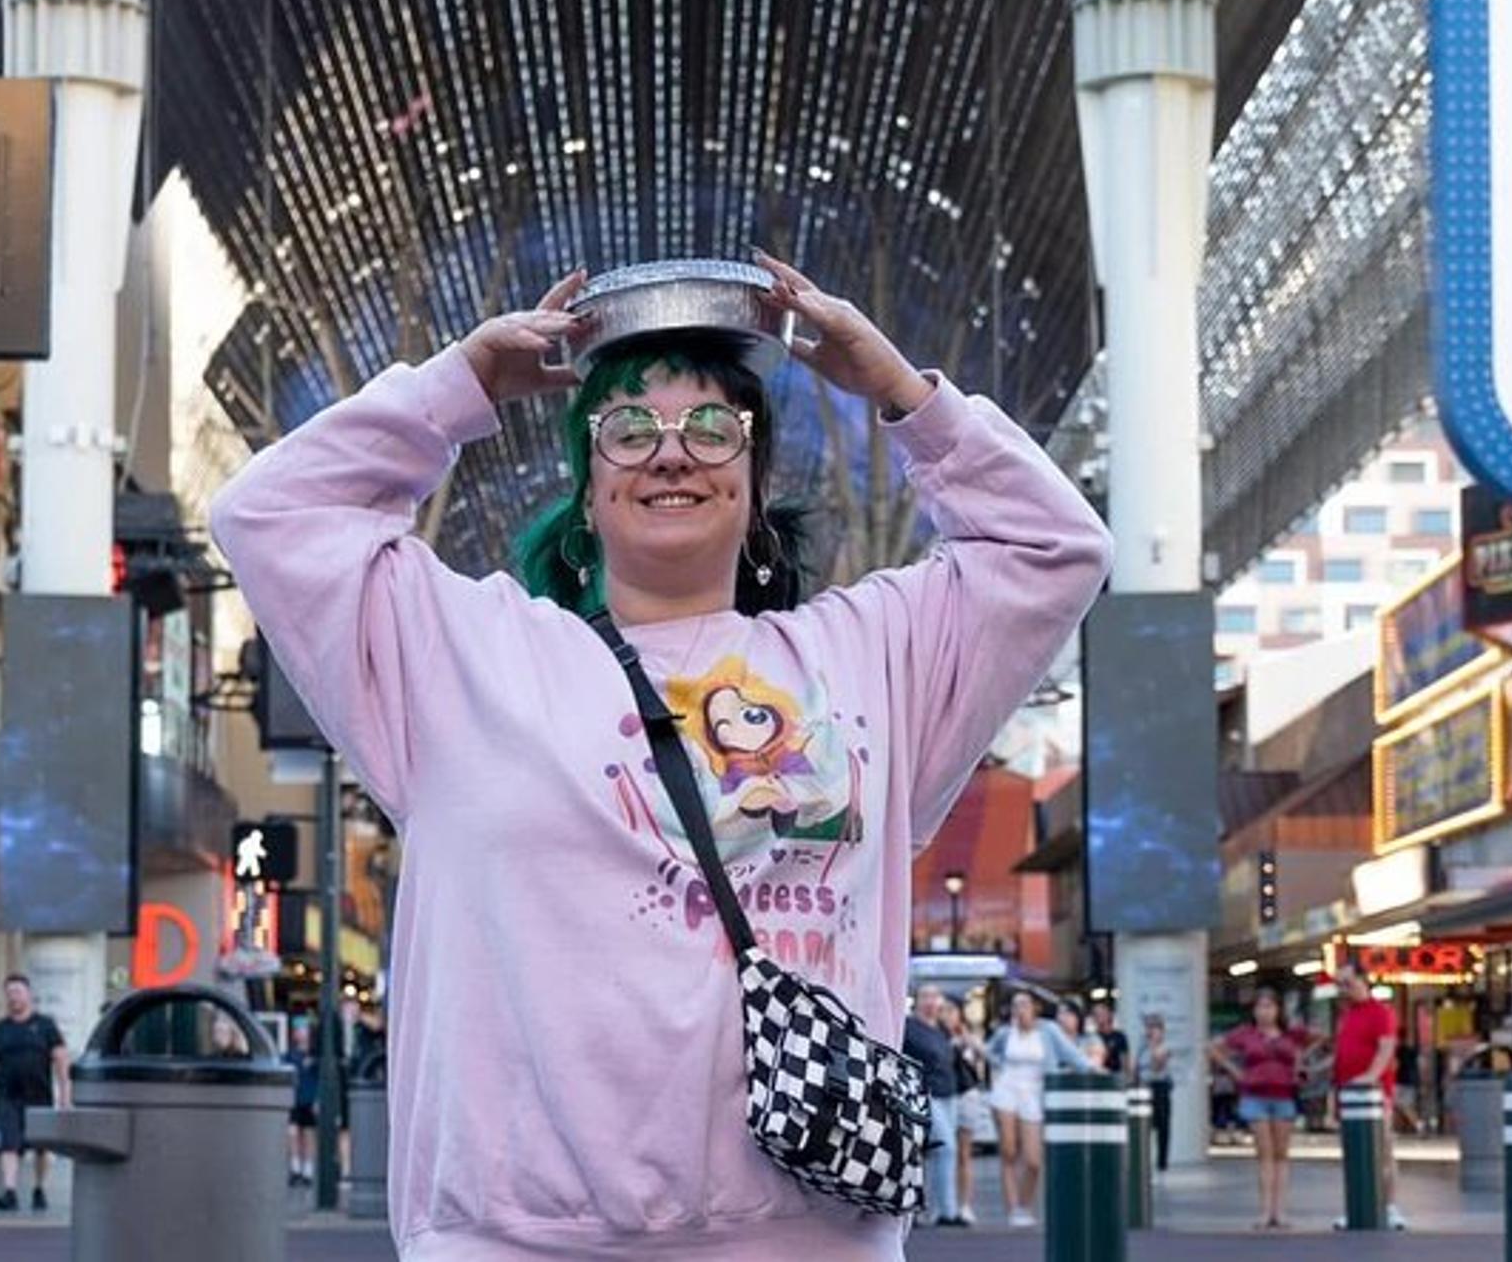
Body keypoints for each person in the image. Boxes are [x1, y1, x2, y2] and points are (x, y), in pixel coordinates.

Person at [210, 253, 1112, 1259]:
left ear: (753, 482)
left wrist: (900, 395)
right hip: (515, 1240)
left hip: (806, 1235)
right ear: (586, 495)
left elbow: (1053, 548)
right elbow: (268, 515)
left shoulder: (871, 657)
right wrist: (455, 389)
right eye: (628, 430)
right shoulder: (458, 654)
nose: (669, 454)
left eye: (711, 429)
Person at [985, 990, 1093, 1229]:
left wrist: (1093, 1069)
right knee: (1009, 1151)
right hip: (1006, 1090)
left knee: (1033, 1160)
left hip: (1034, 1094)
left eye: (1024, 1004)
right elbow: (989, 1050)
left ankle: (1025, 1205)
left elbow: (1071, 1054)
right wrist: (998, 1065)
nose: (1019, 1010)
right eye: (1015, 1005)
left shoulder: (1048, 1030)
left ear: (1035, 1008)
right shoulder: (1005, 1032)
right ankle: (1013, 1209)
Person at [1210, 988, 1317, 1230]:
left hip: (1283, 1095)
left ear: (1278, 1010)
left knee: (1281, 1155)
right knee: (1264, 1154)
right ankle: (1265, 1210)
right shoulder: (1246, 1034)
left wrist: (1300, 1060)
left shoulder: (1291, 1034)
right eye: (1260, 1007)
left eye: (1269, 1007)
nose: (1264, 1012)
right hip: (1255, 1095)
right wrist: (1236, 1071)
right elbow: (1214, 1048)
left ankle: (1280, 1211)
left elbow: (1319, 1037)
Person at [0, 974, 70, 1213]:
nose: (14, 998)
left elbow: (61, 1060)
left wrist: (65, 1094)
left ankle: (39, 1189)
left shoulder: (45, 1025)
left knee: (41, 1147)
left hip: (39, 1096)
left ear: (29, 995)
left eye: (18, 992)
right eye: (10, 993)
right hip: (7, 1096)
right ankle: (9, 1192)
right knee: (9, 1144)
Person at [1332, 960, 1407, 1230]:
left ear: (1363, 980)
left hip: (1373, 1095)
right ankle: (1356, 1207)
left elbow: (1386, 1049)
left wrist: (1370, 1078)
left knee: (1383, 1150)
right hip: (1348, 1094)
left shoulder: (1381, 1012)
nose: (1343, 989)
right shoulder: (1347, 1014)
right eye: (1339, 984)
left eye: (1347, 983)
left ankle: (1389, 1207)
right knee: (1353, 1153)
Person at [904, 986, 963, 1228]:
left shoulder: (941, 1028)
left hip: (948, 1092)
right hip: (924, 1092)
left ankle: (938, 1209)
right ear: (916, 1001)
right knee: (944, 1148)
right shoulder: (909, 1027)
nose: (930, 1001)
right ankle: (945, 1211)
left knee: (939, 1152)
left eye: (934, 997)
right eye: (925, 996)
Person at [944, 1001, 989, 1227]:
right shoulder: (937, 1036)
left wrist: (966, 1040)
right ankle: (946, 1205)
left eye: (952, 1010)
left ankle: (965, 1205)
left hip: (967, 1094)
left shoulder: (968, 1037)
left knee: (964, 1153)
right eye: (945, 1011)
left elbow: (983, 1055)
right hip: (944, 1095)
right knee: (943, 1152)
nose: (948, 1015)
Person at [285, 1014, 320, 1188]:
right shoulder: (290, 1055)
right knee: (292, 1132)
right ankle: (295, 1167)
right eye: (298, 1030)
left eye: (304, 1029)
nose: (301, 1033)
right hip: (294, 1099)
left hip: (309, 1099)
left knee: (308, 1134)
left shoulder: (316, 1056)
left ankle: (307, 1169)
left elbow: (320, 1080)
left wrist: (318, 1099)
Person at [1137, 1012, 1174, 1171]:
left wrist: (1153, 1045)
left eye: (1154, 1027)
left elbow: (1157, 1065)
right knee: (1145, 1125)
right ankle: (1143, 1159)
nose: (1150, 1031)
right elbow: (1136, 1066)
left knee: (1163, 1125)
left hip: (1160, 1087)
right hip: (1145, 1086)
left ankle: (1162, 1161)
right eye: (1148, 1027)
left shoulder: (1165, 1046)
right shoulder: (1141, 1046)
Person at [1090, 1001, 1131, 1078]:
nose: (1098, 1017)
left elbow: (1125, 1060)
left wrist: (1127, 1078)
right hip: (1098, 1078)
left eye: (1101, 1013)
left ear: (1109, 1014)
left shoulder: (1119, 1036)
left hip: (1116, 1077)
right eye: (1095, 1014)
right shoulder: (1091, 1038)